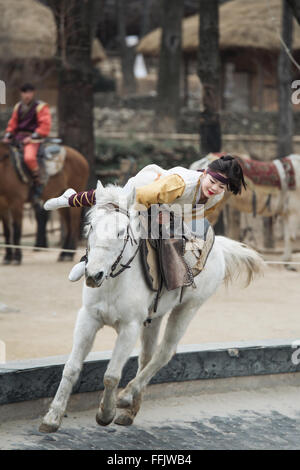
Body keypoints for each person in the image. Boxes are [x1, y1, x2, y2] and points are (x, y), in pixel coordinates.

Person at [44, 154, 246, 282]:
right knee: (114, 210)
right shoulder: (181, 183)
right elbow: (142, 198)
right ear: (205, 174)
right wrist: (153, 217)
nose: (214, 189)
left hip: (167, 206)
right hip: (147, 187)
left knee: (168, 236)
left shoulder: (216, 196)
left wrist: (173, 223)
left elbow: (191, 214)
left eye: (221, 187)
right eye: (212, 182)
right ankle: (84, 255)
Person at [2, 83, 52, 204]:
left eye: (29, 92)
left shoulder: (41, 107)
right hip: (18, 138)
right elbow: (13, 124)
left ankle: (37, 181)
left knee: (29, 158)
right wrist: (8, 135)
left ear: (33, 93)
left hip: (33, 139)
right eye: (24, 92)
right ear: (21, 93)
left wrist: (32, 137)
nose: (26, 95)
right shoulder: (18, 107)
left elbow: (45, 125)